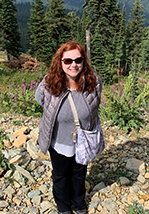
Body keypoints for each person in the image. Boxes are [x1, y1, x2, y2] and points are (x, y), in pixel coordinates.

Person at [35, 41, 102, 214]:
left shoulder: (93, 82)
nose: (74, 65)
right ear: (60, 62)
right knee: (60, 176)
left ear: (83, 61)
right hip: (58, 142)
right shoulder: (49, 83)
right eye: (68, 61)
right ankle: (63, 207)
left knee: (79, 175)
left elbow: (95, 106)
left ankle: (78, 204)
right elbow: (40, 101)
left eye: (78, 60)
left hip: (83, 141)